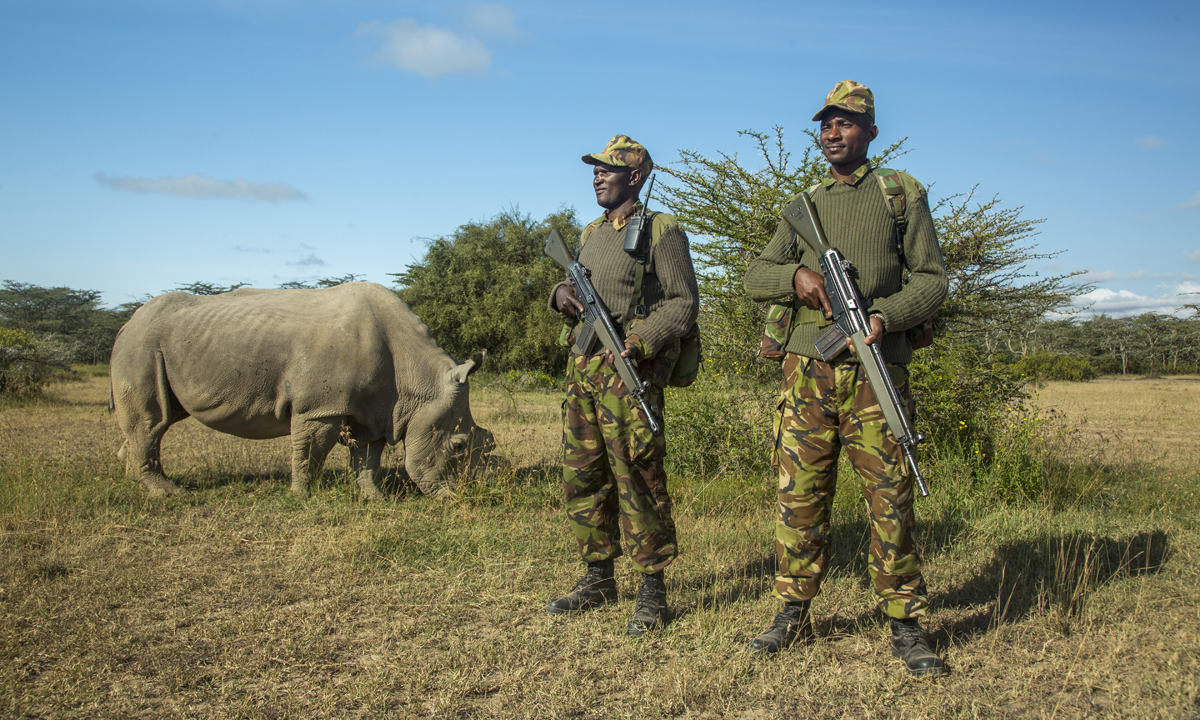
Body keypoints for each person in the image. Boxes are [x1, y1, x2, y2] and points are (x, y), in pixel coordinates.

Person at [742, 81, 949, 675]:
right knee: (799, 497)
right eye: (827, 124)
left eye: (847, 123)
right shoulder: (802, 205)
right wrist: (798, 280)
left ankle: (904, 623)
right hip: (806, 372)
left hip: (875, 369)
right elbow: (758, 274)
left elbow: (933, 279)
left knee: (891, 497)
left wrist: (886, 318)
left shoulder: (899, 194)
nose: (834, 133)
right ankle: (793, 611)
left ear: (871, 132)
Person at [545, 134, 700, 637]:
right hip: (583, 370)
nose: (596, 175)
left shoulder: (661, 229)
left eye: (607, 169)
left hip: (629, 373)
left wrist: (640, 339)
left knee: (637, 476)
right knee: (582, 474)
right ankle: (598, 578)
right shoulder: (592, 230)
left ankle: (653, 590)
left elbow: (681, 302)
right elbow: (570, 287)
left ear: (635, 176)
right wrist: (560, 294)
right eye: (594, 168)